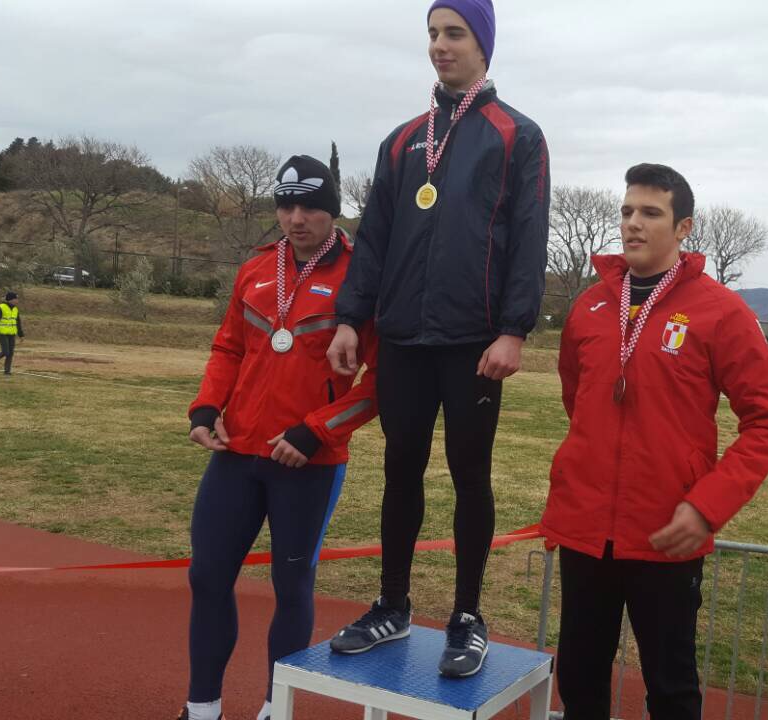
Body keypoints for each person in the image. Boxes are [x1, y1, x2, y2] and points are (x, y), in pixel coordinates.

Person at [326, 0, 549, 679]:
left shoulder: (517, 135)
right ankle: (393, 605)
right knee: (401, 468)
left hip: (473, 340)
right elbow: (374, 239)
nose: (440, 45)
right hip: (402, 336)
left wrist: (513, 330)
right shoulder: (402, 141)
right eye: (432, 34)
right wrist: (349, 317)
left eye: (454, 33)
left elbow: (529, 237)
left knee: (469, 474)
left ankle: (467, 617)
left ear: (483, 44)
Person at [541, 164, 768, 719]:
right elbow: (578, 400)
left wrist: (707, 506)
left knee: (671, 688)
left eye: (650, 213)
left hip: (666, 533)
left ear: (683, 228)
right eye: (627, 211)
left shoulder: (720, 311)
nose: (633, 223)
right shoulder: (589, 306)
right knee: (579, 679)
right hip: (586, 530)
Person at [178, 155, 380, 720]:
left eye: (310, 207)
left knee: (291, 584)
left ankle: (276, 708)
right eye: (287, 206)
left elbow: (382, 382)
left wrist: (318, 432)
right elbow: (228, 347)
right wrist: (206, 407)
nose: (296, 218)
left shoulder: (362, 277)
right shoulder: (257, 267)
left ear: (332, 210)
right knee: (207, 576)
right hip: (237, 453)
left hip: (308, 463)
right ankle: (202, 708)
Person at [0, 291, 23, 375]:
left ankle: (7, 371)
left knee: (11, 353)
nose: (17, 300)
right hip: (2, 333)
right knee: (6, 352)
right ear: (11, 299)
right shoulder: (0, 308)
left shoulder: (15, 309)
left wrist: (21, 335)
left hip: (12, 333)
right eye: (16, 299)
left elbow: (18, 322)